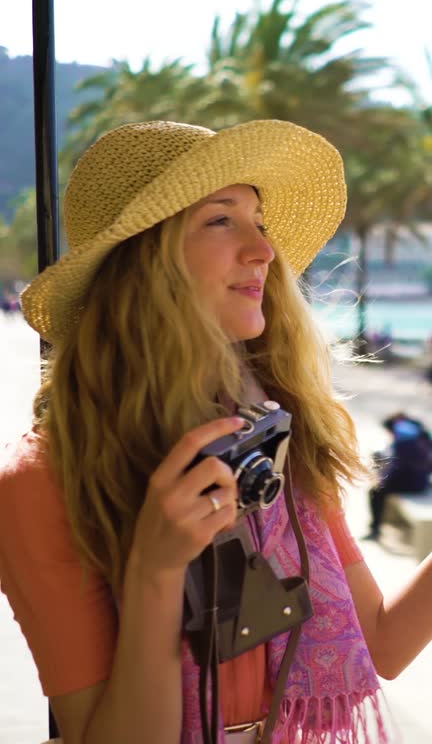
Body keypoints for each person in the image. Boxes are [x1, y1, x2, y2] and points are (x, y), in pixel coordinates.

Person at [1, 119, 432, 744]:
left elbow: (381, 644)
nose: (265, 249)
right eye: (221, 219)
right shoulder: (43, 481)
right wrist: (153, 570)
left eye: (259, 221)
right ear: (142, 262)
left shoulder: (277, 439)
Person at [365, 412, 432, 541]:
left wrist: (381, 480)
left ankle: (375, 530)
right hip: (421, 481)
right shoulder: (418, 429)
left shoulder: (402, 434)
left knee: (375, 491)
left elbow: (397, 466)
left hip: (411, 483)